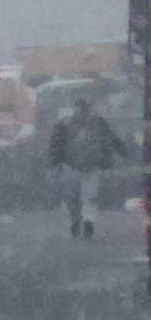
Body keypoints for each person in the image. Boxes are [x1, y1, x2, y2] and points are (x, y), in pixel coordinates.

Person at [49, 99, 128, 239]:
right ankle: (81, 221)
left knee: (82, 195)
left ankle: (84, 221)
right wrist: (54, 163)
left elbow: (111, 138)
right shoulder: (72, 124)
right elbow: (56, 144)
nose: (82, 111)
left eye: (84, 108)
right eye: (81, 108)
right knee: (80, 196)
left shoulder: (94, 123)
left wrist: (54, 163)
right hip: (79, 164)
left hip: (84, 164)